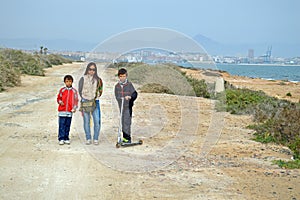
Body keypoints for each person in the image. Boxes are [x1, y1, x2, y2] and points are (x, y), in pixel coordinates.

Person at [78, 62, 103, 145]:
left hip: (95, 101)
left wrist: (96, 97)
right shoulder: (82, 79)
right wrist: (83, 98)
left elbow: (100, 90)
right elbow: (79, 89)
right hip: (85, 101)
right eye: (90, 69)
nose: (91, 71)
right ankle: (88, 138)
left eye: (93, 69)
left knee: (97, 120)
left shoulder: (99, 80)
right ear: (87, 69)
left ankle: (95, 138)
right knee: (86, 121)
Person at [114, 68, 138, 143]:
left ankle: (128, 138)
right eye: (121, 76)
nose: (122, 78)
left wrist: (130, 97)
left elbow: (135, 94)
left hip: (128, 106)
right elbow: (116, 96)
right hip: (121, 106)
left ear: (126, 76)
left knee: (127, 121)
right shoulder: (117, 86)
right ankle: (124, 137)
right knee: (122, 121)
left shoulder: (129, 84)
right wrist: (120, 99)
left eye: (124, 76)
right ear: (119, 77)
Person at [57, 75, 79, 145]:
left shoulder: (74, 91)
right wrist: (60, 102)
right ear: (64, 82)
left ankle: (66, 137)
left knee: (67, 125)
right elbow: (58, 98)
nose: (68, 83)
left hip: (70, 111)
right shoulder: (62, 90)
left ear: (72, 82)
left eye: (70, 81)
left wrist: (74, 108)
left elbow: (76, 100)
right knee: (61, 125)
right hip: (62, 111)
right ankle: (61, 138)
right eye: (67, 81)